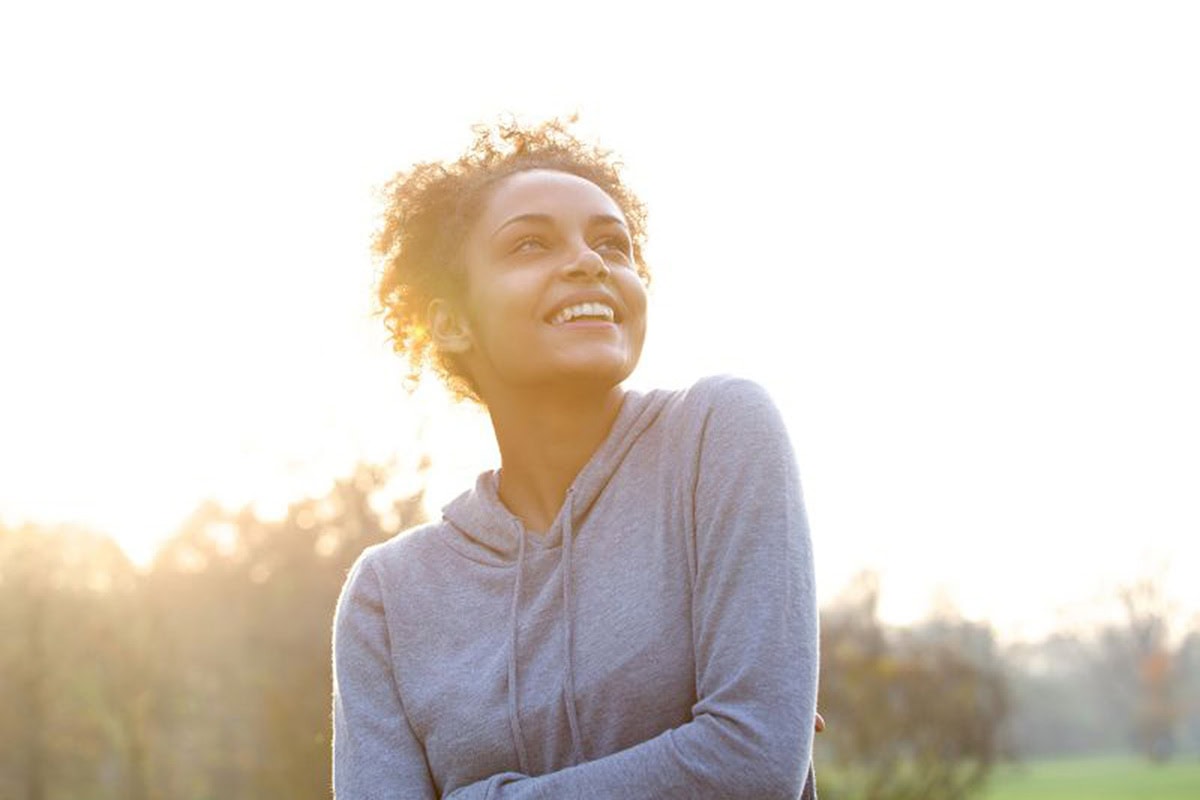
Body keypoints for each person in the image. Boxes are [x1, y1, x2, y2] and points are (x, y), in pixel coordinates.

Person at [332, 118, 820, 799]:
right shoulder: (389, 595)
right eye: (530, 243)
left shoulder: (718, 435)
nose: (591, 262)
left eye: (612, 245)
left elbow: (752, 760)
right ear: (449, 321)